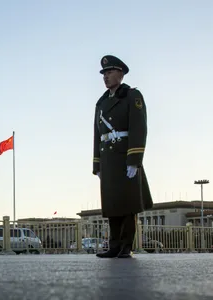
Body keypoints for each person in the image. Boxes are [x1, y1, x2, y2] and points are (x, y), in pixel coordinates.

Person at [92, 55, 153, 258]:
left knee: (127, 203)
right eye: (104, 74)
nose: (106, 77)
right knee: (112, 203)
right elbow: (97, 134)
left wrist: (134, 160)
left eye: (109, 72)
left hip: (125, 155)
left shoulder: (131, 96)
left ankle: (127, 245)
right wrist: (97, 163)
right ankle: (115, 245)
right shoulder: (101, 102)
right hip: (108, 158)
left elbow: (139, 128)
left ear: (121, 73)